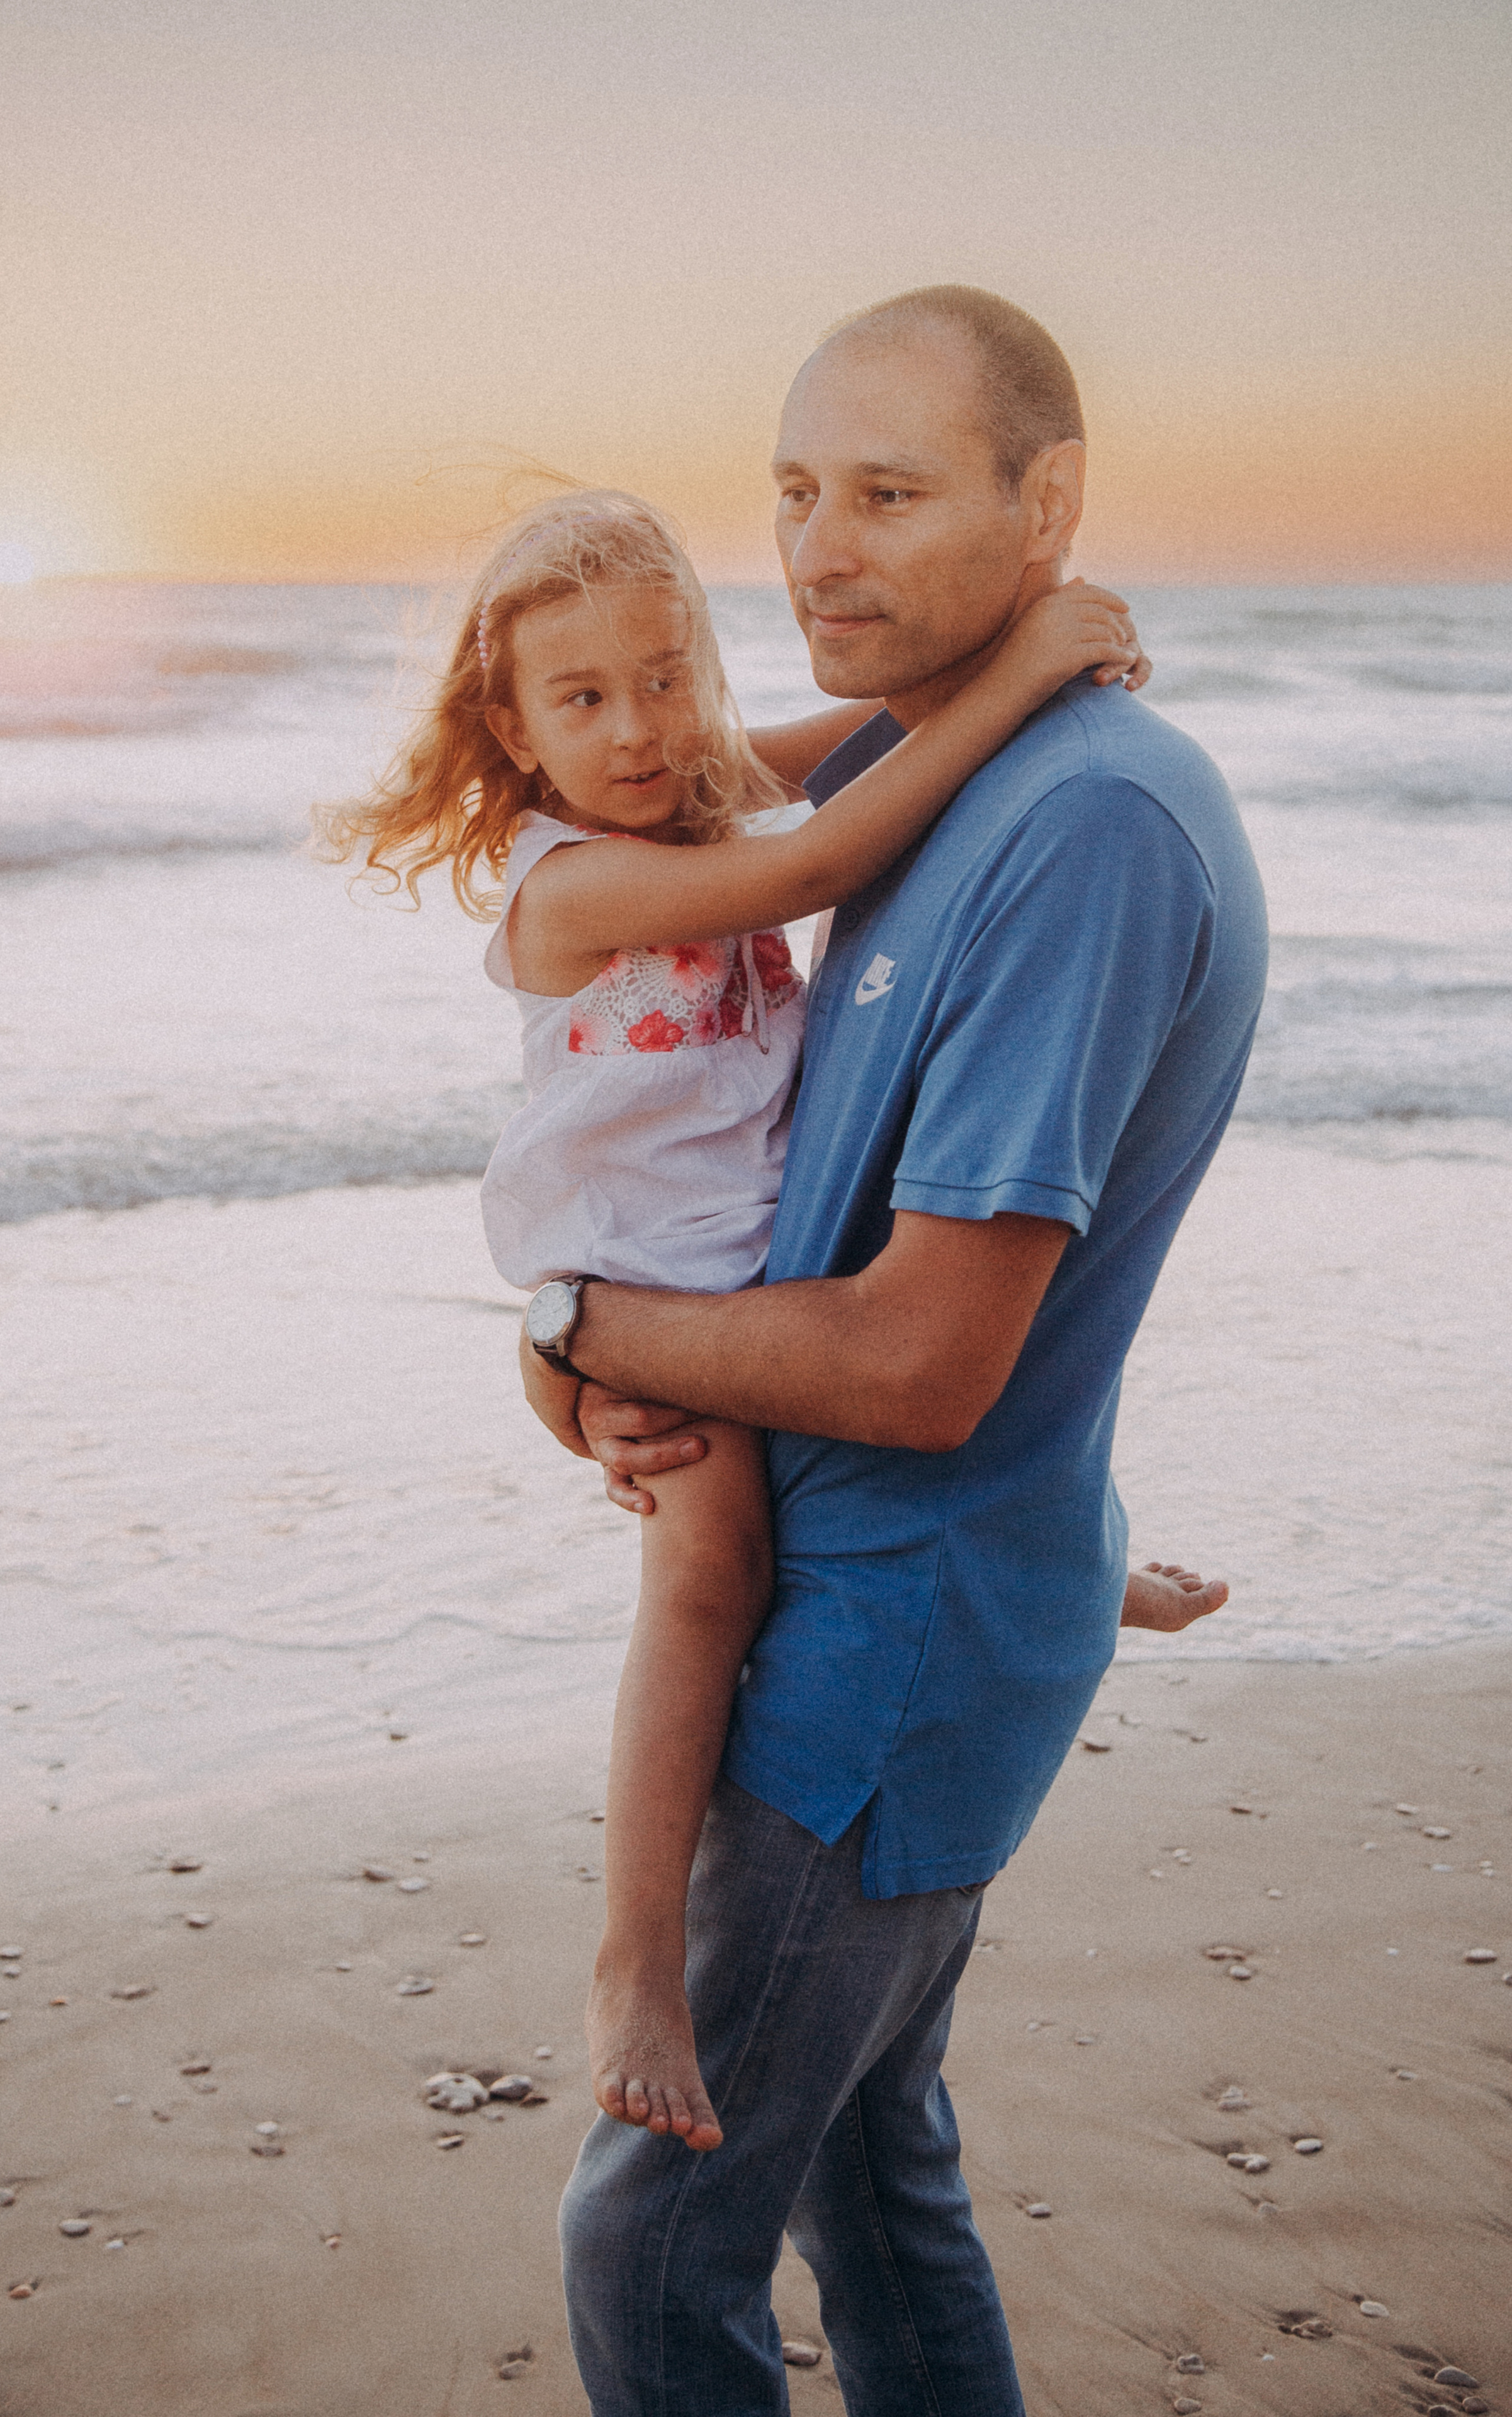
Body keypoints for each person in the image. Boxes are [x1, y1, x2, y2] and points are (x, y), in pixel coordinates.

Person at [518, 286, 1269, 2416]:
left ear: (1052, 507)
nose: (815, 550)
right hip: (907, 1600)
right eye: (789, 490)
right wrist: (580, 1368)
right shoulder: (964, 779)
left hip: (885, 1651)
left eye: (888, 491)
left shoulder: (1084, 822)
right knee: (868, 2165)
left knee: (651, 2244)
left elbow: (926, 1361)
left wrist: (579, 1327)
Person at [319, 487, 1182, 2163]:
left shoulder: (696, 776)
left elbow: (853, 739)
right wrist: (1019, 686)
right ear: (513, 725)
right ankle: (637, 1958)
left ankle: (1077, 1562)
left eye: (668, 677)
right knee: (713, 1580)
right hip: (653, 1271)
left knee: (967, 1345)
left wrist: (1004, 638)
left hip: (764, 1234)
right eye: (584, 701)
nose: (640, 732)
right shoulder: (566, 882)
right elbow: (826, 853)